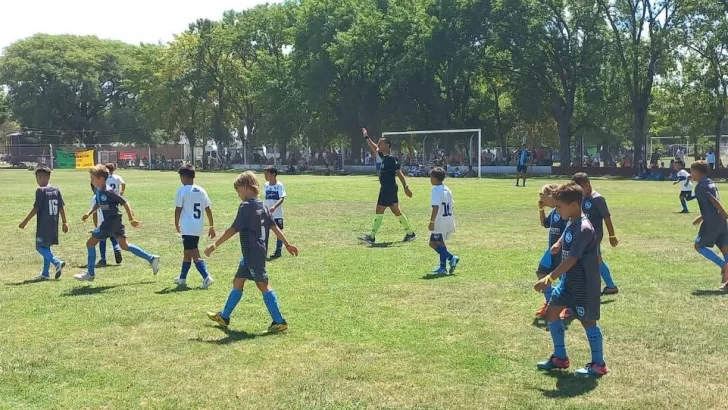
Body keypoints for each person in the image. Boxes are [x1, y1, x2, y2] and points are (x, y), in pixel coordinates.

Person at [204, 171, 298, 332]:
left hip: (253, 254)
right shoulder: (263, 205)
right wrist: (287, 244)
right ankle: (224, 317)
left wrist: (214, 245)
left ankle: (279, 321)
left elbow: (233, 229)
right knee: (238, 282)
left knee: (263, 285)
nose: (238, 195)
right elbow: (273, 226)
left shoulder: (246, 207)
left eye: (238, 191)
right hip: (252, 254)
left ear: (246, 187)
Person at [534, 182, 609, 377]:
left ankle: (598, 364)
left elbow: (573, 259)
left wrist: (549, 278)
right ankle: (560, 357)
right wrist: (558, 244)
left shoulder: (583, 227)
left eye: (559, 207)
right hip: (567, 283)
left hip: (583, 285)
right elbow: (566, 233)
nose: (557, 210)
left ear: (574, 205)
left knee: (588, 322)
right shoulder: (572, 221)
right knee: (552, 314)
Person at [75, 165, 160, 281]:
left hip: (110, 223)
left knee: (90, 243)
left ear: (101, 179)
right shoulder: (99, 190)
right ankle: (151, 258)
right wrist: (89, 213)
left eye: (93, 179)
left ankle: (90, 273)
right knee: (124, 246)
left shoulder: (109, 191)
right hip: (115, 223)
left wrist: (131, 219)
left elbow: (125, 202)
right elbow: (99, 203)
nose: (91, 181)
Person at [358, 128, 416, 245]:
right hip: (388, 188)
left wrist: (406, 187)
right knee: (396, 211)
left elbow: (399, 173)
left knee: (380, 210)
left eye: (381, 142)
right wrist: (366, 136)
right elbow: (373, 147)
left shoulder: (391, 159)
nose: (379, 143)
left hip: (388, 189)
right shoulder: (383, 157)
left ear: (388, 145)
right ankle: (410, 233)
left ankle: (372, 236)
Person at [572, 173, 619, 295]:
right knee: (597, 259)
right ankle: (610, 285)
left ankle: (603, 285)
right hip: (584, 235)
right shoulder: (581, 198)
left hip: (594, 235)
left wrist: (612, 235)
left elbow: (607, 218)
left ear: (587, 185)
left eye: (579, 188)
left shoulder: (597, 198)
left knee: (593, 259)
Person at [18, 165, 68, 280]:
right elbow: (61, 207)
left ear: (40, 178)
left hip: (44, 225)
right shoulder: (56, 189)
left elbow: (36, 208)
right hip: (53, 224)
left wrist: (25, 221)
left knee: (39, 247)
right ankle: (45, 273)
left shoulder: (40, 190)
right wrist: (64, 222)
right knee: (46, 247)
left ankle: (57, 262)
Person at [173, 164, 215, 289]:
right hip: (197, 226)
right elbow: (208, 209)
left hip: (187, 227)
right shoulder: (201, 190)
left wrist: (176, 223)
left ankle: (206, 277)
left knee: (194, 253)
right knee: (187, 253)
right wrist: (211, 225)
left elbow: (178, 209)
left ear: (184, 177)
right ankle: (182, 278)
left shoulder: (182, 190)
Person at [690, 160, 728, 289]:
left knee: (698, 246)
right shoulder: (711, 183)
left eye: (692, 171)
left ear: (697, 172)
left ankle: (723, 265)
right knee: (724, 248)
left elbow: (714, 201)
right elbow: (713, 204)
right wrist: (702, 216)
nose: (691, 174)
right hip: (721, 221)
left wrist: (726, 214)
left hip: (711, 223)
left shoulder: (700, 186)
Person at [535, 184, 570, 320]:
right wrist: (541, 209)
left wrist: (560, 243)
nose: (542, 199)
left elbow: (569, 228)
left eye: (543, 196)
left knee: (564, 279)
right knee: (541, 272)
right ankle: (551, 303)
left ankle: (565, 306)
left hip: (562, 250)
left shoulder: (563, 209)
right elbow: (545, 223)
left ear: (551, 195)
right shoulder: (555, 210)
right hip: (551, 250)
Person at [428, 167, 460, 275]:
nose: (430, 179)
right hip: (448, 219)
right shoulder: (447, 189)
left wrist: (432, 222)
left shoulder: (435, 190)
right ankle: (443, 267)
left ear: (436, 179)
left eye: (431, 177)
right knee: (440, 243)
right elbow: (452, 205)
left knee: (433, 243)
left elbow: (436, 207)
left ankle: (451, 258)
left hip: (439, 220)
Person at [86, 183, 122, 267]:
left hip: (102, 224)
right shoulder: (108, 194)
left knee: (102, 241)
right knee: (114, 238)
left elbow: (94, 214)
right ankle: (117, 249)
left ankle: (103, 259)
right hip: (112, 221)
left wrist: (96, 226)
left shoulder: (95, 198)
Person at [264, 166, 287, 259]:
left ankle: (278, 251)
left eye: (267, 174)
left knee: (279, 232)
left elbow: (282, 198)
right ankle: (263, 252)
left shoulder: (279, 185)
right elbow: (265, 198)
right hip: (267, 213)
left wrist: (274, 206)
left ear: (273, 174)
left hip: (277, 214)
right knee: (265, 233)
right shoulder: (266, 185)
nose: (265, 176)